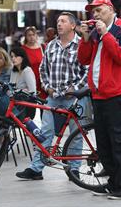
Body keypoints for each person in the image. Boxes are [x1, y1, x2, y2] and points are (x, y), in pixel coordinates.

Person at [16, 12, 88, 182]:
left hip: (74, 97)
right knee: (45, 133)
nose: (59, 24)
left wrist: (75, 88)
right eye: (58, 21)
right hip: (53, 96)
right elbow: (43, 69)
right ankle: (36, 169)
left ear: (72, 25)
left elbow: (88, 70)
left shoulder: (81, 45)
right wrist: (47, 87)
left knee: (75, 135)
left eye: (63, 21)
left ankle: (74, 170)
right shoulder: (50, 45)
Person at [77, 0, 121, 199]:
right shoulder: (95, 33)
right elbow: (83, 59)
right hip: (100, 96)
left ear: (110, 9)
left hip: (120, 95)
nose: (95, 14)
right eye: (93, 11)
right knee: (104, 144)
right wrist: (85, 39)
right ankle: (114, 182)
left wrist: (106, 34)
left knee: (120, 142)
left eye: (99, 10)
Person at [21, 26, 47, 101]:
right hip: (29, 82)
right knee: (31, 108)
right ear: (25, 37)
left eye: (33, 35)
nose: (32, 37)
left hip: (42, 81)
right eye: (29, 35)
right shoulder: (23, 49)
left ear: (36, 36)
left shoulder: (43, 47)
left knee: (44, 107)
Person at [10, 47, 37, 119]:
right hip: (15, 104)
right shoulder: (13, 71)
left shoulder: (27, 71)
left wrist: (20, 91)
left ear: (22, 57)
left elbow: (33, 91)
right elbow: (11, 87)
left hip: (26, 105)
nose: (13, 59)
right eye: (12, 56)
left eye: (16, 56)